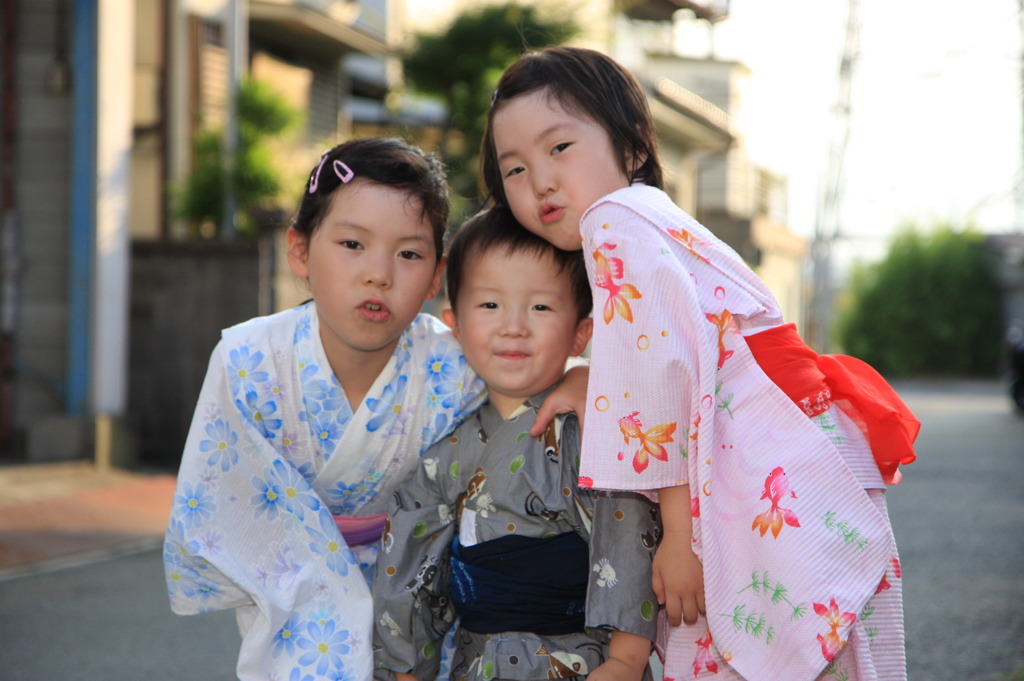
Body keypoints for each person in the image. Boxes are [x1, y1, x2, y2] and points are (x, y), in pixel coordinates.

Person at [479, 47, 920, 681]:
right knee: (830, 644)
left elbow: (662, 380)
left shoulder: (613, 222)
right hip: (797, 441)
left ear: (631, 148)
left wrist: (681, 538)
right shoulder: (658, 219)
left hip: (761, 458)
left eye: (559, 149)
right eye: (514, 168)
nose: (539, 181)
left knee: (736, 643)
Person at [163, 137, 586, 681]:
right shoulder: (250, 360)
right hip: (293, 585)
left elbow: (533, 366)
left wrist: (581, 376)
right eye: (351, 244)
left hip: (424, 588)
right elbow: (232, 503)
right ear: (299, 250)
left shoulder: (452, 365)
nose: (379, 273)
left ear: (437, 276)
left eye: (409, 253)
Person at [372, 207, 660, 681]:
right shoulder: (443, 450)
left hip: (583, 663)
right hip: (478, 664)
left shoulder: (590, 429)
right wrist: (405, 668)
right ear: (455, 326)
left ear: (581, 333)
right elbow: (407, 563)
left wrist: (626, 659)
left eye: (540, 307)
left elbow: (625, 537)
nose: (513, 326)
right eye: (490, 305)